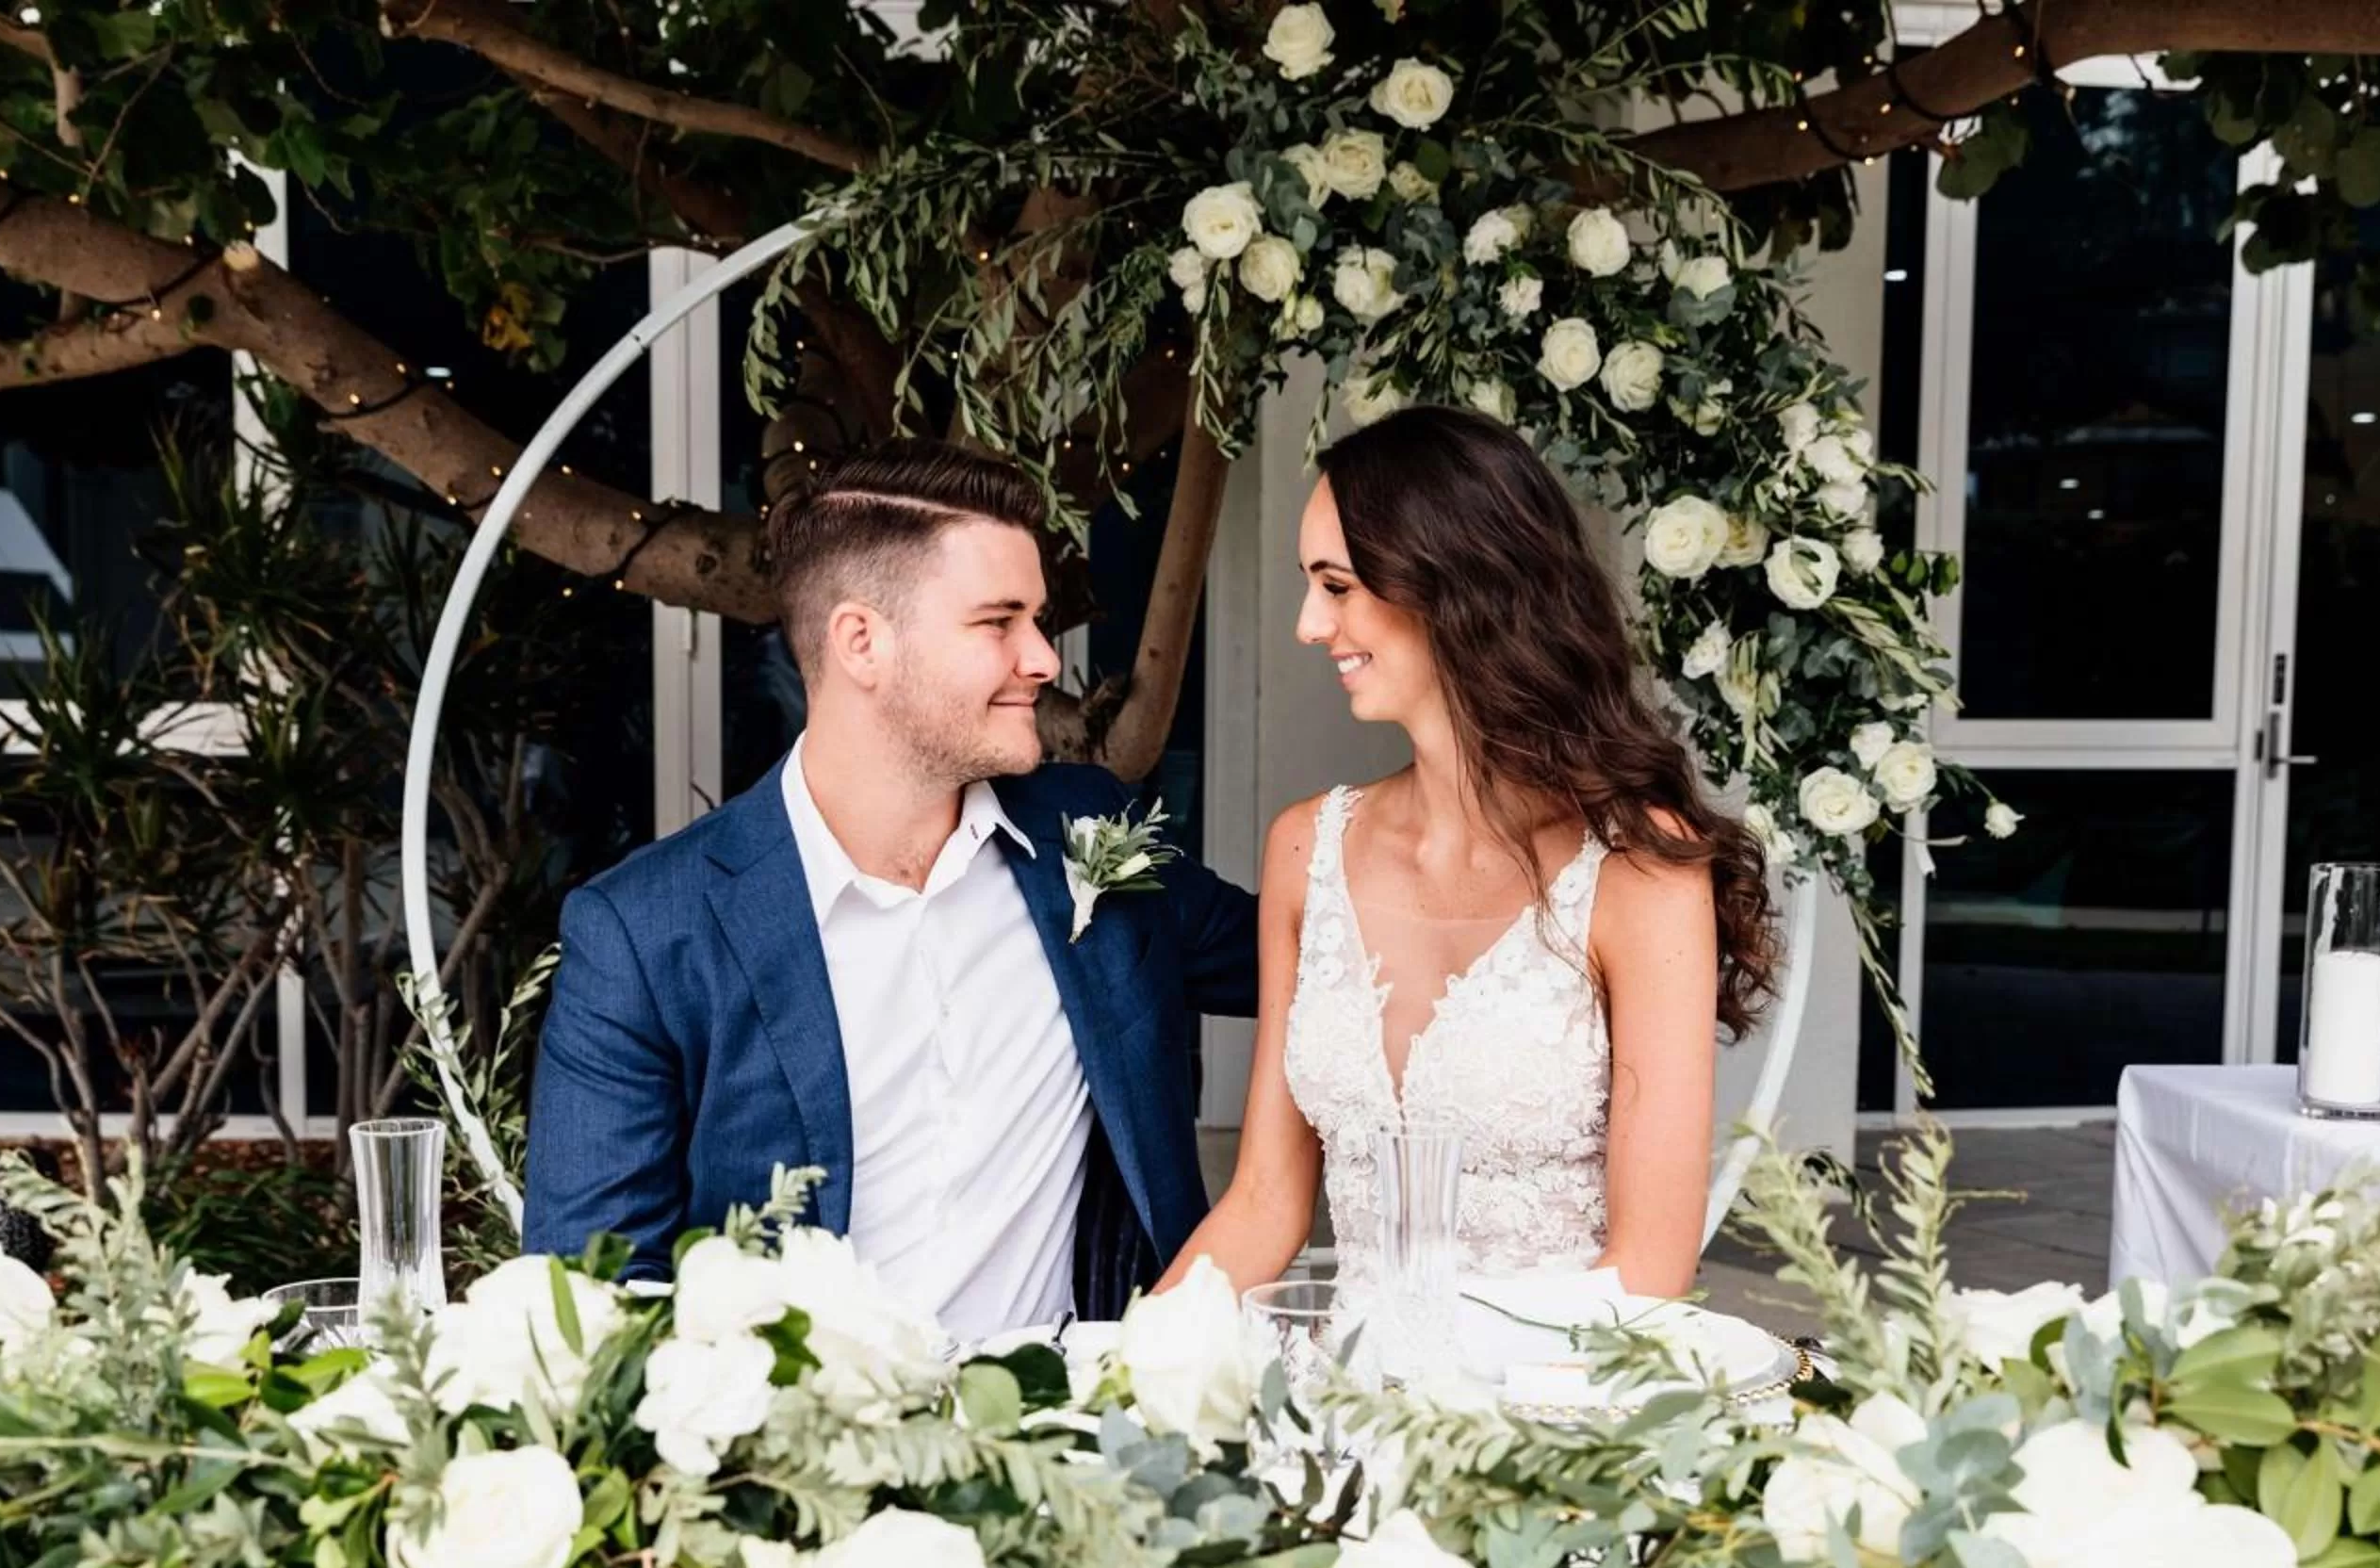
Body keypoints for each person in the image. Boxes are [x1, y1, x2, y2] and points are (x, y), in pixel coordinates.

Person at [525, 438, 1260, 1335]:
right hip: (803, 1454)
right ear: (862, 642)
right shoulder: (645, 935)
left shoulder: (1084, 832)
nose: (1040, 658)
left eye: (1037, 620)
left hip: (1092, 1433)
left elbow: (1306, 956)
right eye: (999, 622)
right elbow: (593, 1299)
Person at [1166, 404, 1777, 1302]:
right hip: (1353, 1390)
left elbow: (1649, 1268)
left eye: (1336, 587)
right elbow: (1263, 1202)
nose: (1308, 624)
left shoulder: (1639, 869)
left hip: (1550, 1403)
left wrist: (1459, 1429)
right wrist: (1125, 1368)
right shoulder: (1307, 848)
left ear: (1450, 586)